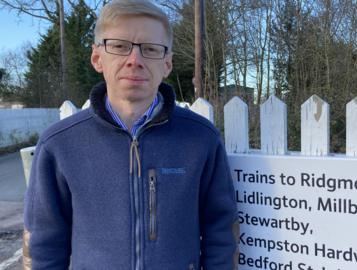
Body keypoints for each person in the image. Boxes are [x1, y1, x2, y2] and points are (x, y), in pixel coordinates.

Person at [22, 0, 239, 269]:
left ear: (168, 64)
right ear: (97, 58)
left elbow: (221, 231)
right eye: (119, 46)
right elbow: (43, 244)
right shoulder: (59, 145)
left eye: (150, 49)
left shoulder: (201, 139)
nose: (134, 60)